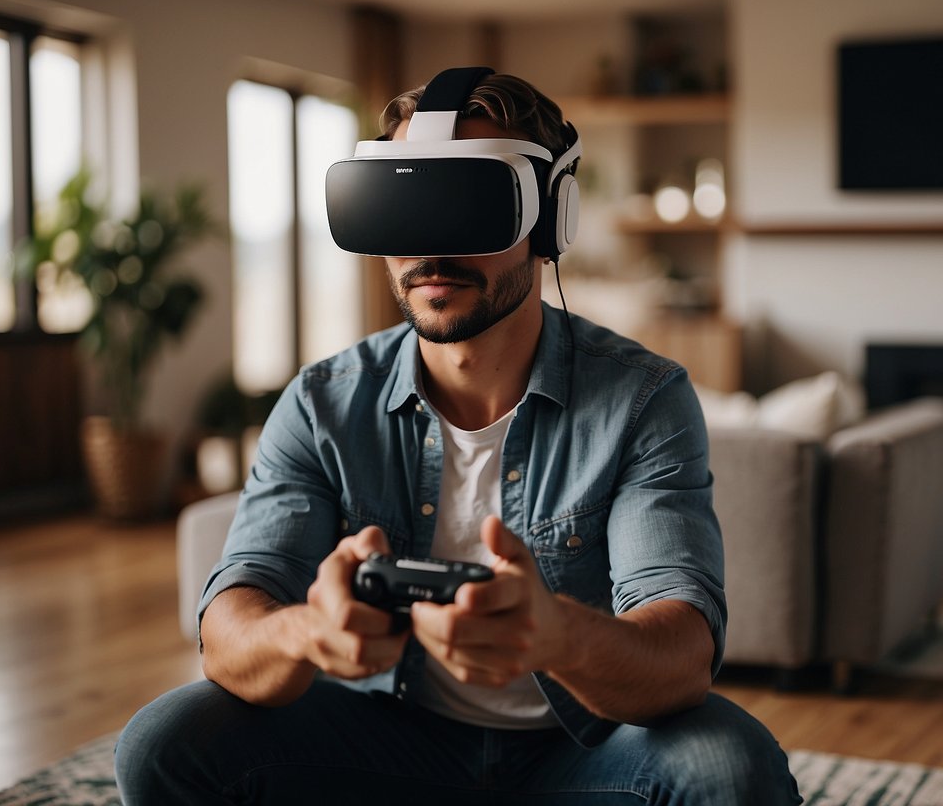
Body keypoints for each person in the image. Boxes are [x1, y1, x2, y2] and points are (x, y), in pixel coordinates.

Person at [115, 69, 802, 805]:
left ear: (550, 221)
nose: (429, 247)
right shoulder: (322, 402)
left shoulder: (641, 400)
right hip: (384, 743)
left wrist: (558, 636)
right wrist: (307, 631)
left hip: (581, 758)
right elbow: (230, 625)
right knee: (166, 742)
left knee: (727, 766)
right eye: (404, 205)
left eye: (469, 204)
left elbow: (683, 655)